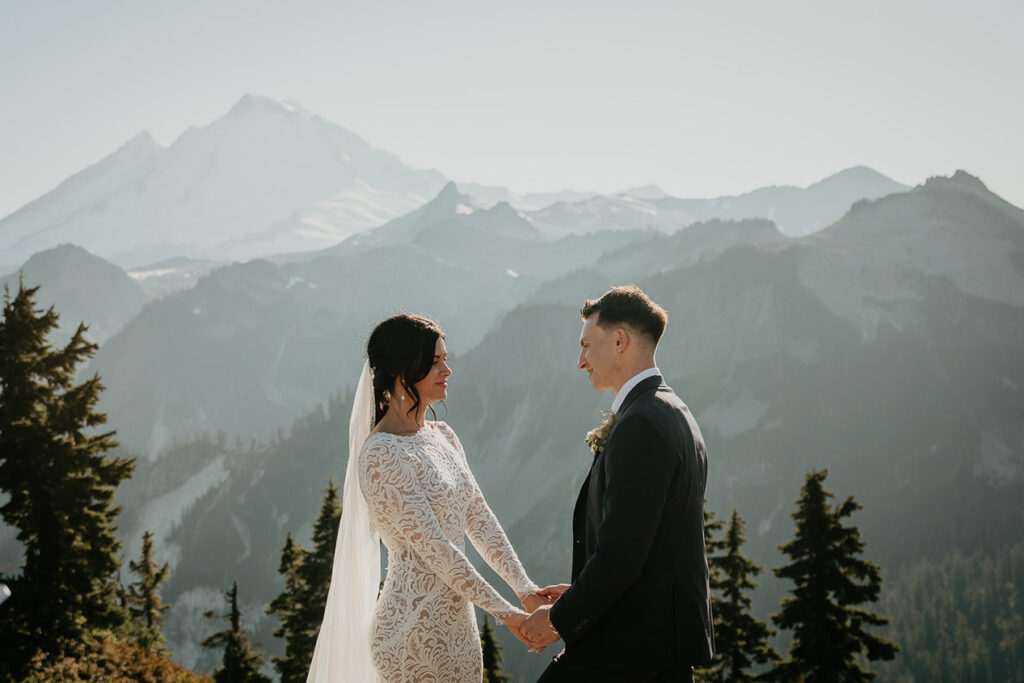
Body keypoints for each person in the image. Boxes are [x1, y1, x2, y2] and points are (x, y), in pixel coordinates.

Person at [307, 313, 548, 682]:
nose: (447, 369)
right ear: (403, 370)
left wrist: (526, 590)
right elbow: (437, 549)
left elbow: (479, 519)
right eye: (435, 362)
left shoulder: (444, 436)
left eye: (445, 359)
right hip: (409, 631)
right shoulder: (381, 454)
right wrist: (508, 614)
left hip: (459, 627)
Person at [522, 285, 715, 682]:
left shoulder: (641, 424)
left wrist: (558, 620)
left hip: (631, 650)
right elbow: (648, 541)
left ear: (620, 340)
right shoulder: (674, 411)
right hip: (658, 647)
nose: (580, 361)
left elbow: (622, 555)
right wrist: (579, 590)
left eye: (587, 346)